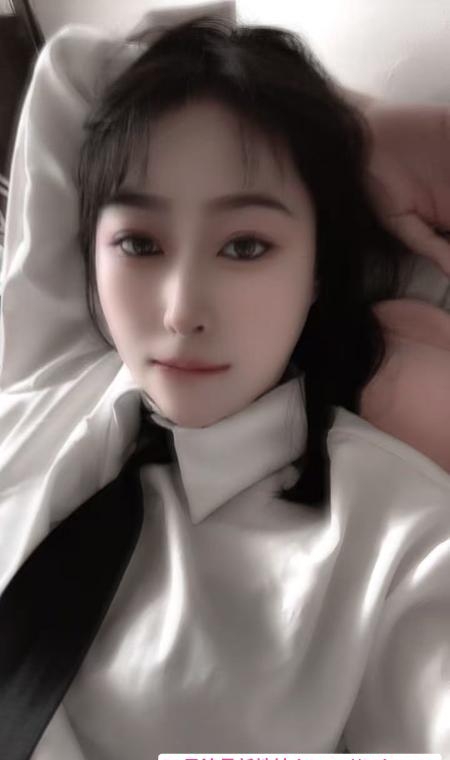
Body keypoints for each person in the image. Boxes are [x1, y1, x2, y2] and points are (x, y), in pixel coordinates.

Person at [0, 6, 449, 759]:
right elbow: (73, 69)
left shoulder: (400, 547)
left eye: (245, 246)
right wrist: (354, 133)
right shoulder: (48, 370)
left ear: (317, 269)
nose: (180, 312)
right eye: (139, 243)